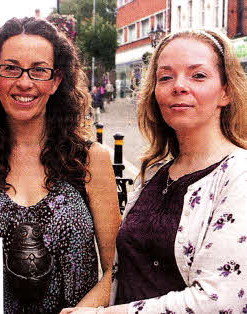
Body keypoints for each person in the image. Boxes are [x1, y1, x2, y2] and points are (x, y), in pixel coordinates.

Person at [61, 29, 247, 313]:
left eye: (198, 75)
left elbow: (218, 300)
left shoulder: (239, 174)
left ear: (226, 92)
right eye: (166, 77)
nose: (179, 86)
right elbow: (122, 273)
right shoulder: (154, 173)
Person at [0, 17, 121, 313]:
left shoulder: (91, 159)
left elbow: (116, 270)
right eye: (11, 68)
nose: (24, 82)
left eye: (39, 70)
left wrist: (83, 311)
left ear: (56, 81)